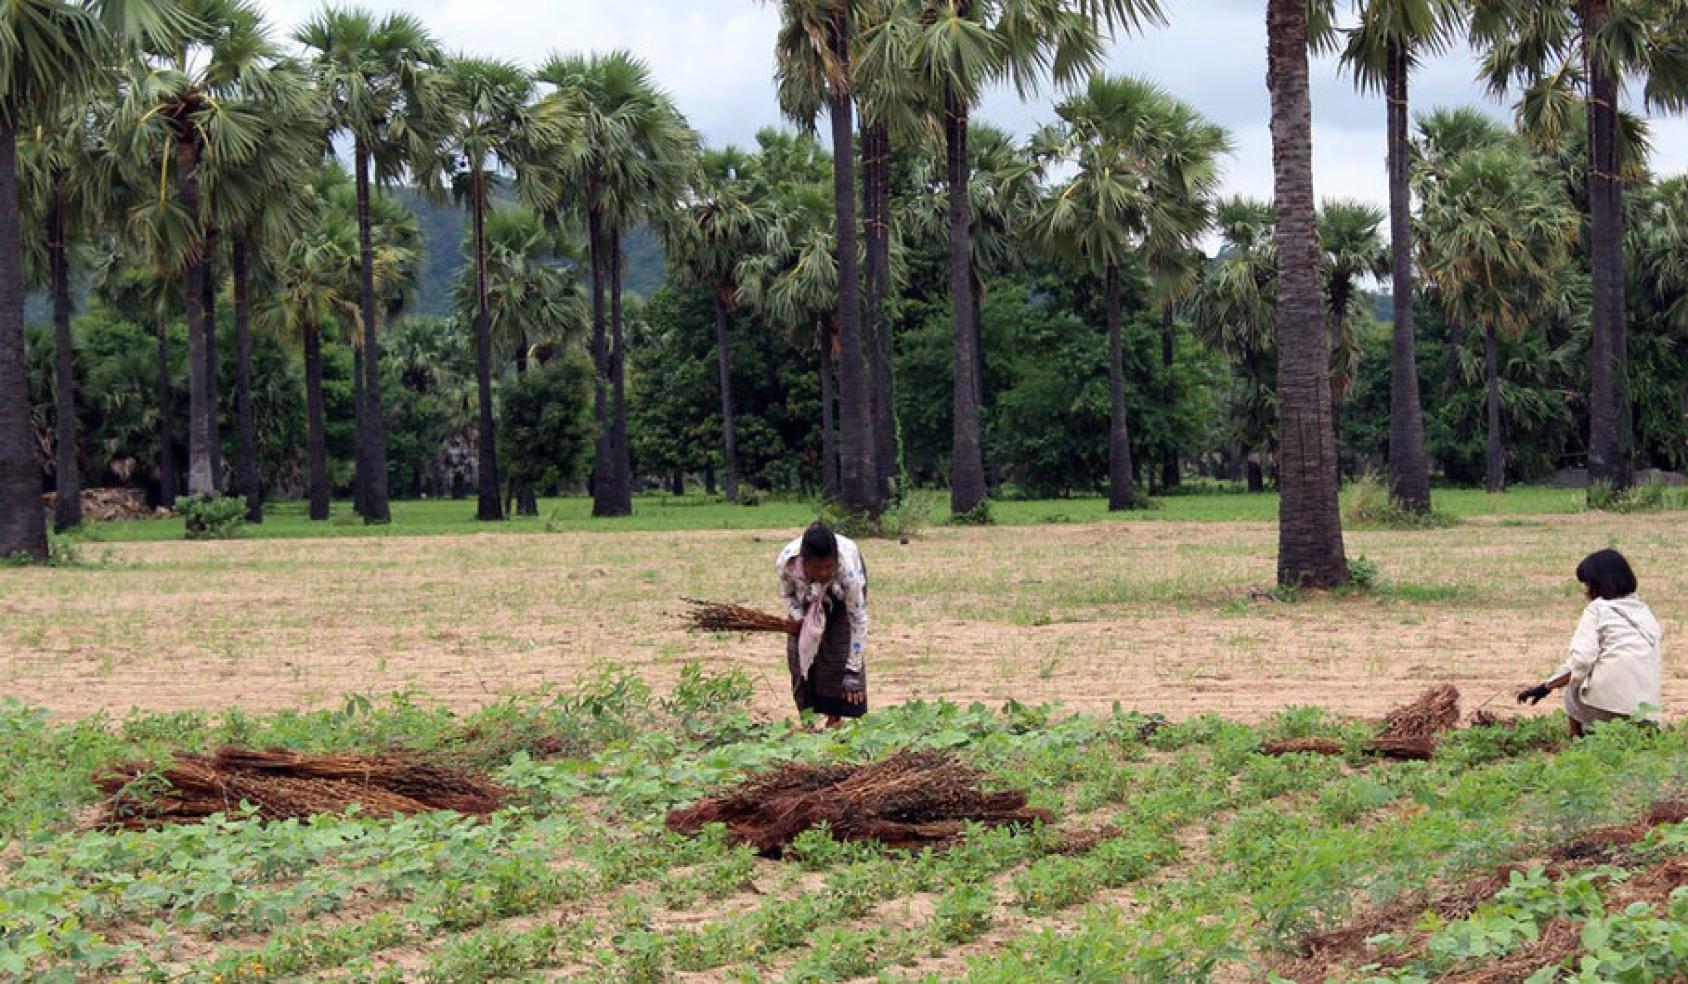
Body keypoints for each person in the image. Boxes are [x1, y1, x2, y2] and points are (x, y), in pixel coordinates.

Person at [1518, 548, 1663, 736]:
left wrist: (1545, 688)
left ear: (1598, 585)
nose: (1585, 590)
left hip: (1608, 708)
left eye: (1587, 584)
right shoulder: (1645, 611)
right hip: (1645, 712)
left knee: (1574, 682)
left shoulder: (1597, 610)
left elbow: (1582, 661)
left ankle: (1577, 740)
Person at [777, 522, 868, 729]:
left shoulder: (847, 571)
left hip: (841, 592)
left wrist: (853, 670)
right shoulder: (787, 564)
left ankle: (835, 717)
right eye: (817, 567)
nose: (824, 572)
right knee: (800, 653)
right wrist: (799, 617)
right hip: (807, 593)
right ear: (804, 562)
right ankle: (808, 719)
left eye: (829, 566)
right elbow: (788, 595)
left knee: (839, 647)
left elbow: (858, 619)